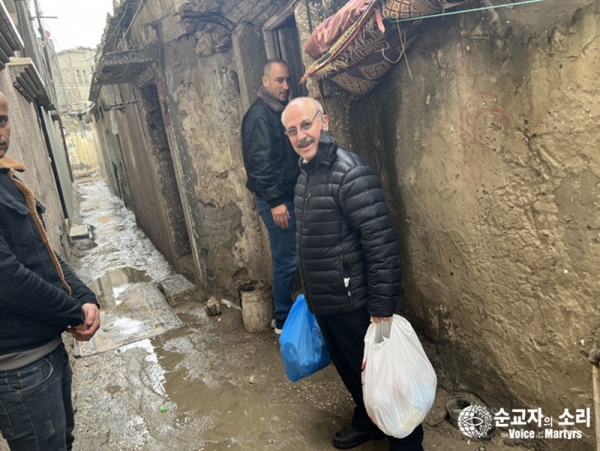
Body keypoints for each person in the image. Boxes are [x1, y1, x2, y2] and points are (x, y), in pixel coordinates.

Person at [283, 97, 424, 451]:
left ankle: (408, 443)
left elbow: (380, 243)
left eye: (307, 125)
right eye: (292, 130)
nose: (301, 135)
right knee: (351, 371)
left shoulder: (350, 172)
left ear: (324, 122)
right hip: (327, 301)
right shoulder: (305, 175)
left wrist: (382, 306)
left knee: (385, 378)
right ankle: (368, 420)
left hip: (357, 302)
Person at [0, 92, 100, 451]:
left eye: (2, 120)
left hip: (45, 351)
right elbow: (8, 279)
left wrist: (86, 298)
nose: (0, 132)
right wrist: (73, 312)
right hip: (17, 368)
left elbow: (43, 252)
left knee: (62, 443)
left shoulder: (5, 178)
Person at [241, 59, 300, 333]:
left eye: (288, 79)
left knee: (293, 255)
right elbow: (259, 165)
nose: (286, 85)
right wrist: (276, 202)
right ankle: (283, 319)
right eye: (279, 80)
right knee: (286, 259)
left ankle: (291, 313)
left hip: (288, 195)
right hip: (276, 200)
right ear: (265, 82)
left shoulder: (280, 111)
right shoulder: (259, 116)